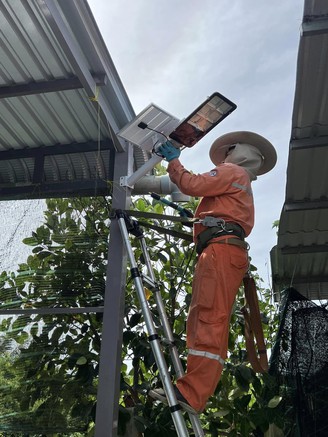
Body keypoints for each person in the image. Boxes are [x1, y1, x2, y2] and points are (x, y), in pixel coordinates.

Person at [149, 131, 277, 415]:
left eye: (229, 150)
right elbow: (218, 208)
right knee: (204, 318)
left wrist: (174, 161)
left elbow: (193, 184)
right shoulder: (240, 181)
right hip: (223, 250)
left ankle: (193, 393)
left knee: (208, 318)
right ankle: (192, 389)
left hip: (220, 251)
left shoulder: (231, 171)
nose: (226, 155)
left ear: (237, 152)